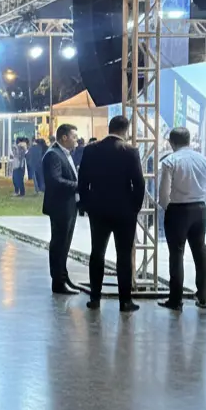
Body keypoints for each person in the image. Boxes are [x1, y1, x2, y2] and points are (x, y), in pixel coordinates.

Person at [78, 115, 143, 313]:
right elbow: (139, 184)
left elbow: (83, 181)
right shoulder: (131, 151)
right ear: (126, 130)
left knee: (97, 252)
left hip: (98, 210)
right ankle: (125, 301)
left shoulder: (91, 150)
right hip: (124, 212)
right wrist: (135, 207)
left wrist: (88, 204)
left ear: (109, 128)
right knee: (123, 255)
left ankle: (95, 298)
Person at [157, 126, 206, 311]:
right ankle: (203, 297)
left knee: (176, 254)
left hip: (178, 211)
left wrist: (167, 208)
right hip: (199, 209)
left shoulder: (170, 161)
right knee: (200, 252)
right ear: (189, 140)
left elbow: (164, 194)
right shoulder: (204, 160)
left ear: (171, 143)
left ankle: (175, 300)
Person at [42, 123, 80, 295]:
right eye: (74, 137)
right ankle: (58, 281)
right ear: (64, 137)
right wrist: (77, 185)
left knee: (65, 244)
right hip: (60, 207)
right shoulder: (53, 155)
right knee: (59, 243)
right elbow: (55, 181)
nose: (76, 140)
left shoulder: (65, 153)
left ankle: (63, 276)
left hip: (68, 206)